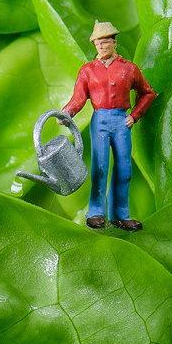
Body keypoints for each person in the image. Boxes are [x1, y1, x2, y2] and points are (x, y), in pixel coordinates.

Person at [62, 21, 157, 232]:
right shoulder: (88, 70)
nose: (102, 47)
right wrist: (66, 113)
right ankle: (95, 213)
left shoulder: (128, 69)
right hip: (100, 120)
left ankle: (120, 215)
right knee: (100, 166)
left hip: (122, 120)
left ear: (114, 43)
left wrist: (135, 115)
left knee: (124, 168)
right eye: (98, 43)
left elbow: (148, 93)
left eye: (106, 42)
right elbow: (79, 98)